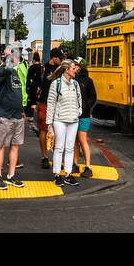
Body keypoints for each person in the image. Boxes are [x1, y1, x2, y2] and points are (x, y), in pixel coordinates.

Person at [0, 50, 27, 190]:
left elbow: (19, 92)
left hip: (17, 115)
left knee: (15, 146)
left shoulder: (16, 73)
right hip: (4, 115)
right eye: (13, 57)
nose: (16, 59)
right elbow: (4, 70)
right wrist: (8, 58)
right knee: (1, 146)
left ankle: (11, 175)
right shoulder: (1, 72)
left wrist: (22, 111)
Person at [46, 57, 83, 187]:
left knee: (70, 148)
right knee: (59, 148)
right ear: (66, 70)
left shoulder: (76, 84)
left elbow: (79, 99)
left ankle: (68, 174)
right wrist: (49, 124)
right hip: (59, 120)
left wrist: (79, 112)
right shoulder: (56, 84)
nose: (75, 71)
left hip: (73, 120)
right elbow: (50, 104)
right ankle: (57, 174)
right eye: (73, 69)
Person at [33, 49, 64, 168]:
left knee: (58, 131)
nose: (61, 60)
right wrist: (33, 102)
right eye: (60, 58)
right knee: (44, 130)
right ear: (54, 57)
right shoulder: (43, 69)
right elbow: (35, 84)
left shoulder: (61, 70)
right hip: (44, 103)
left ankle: (56, 157)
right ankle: (44, 156)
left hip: (57, 104)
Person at [73, 61, 97, 179]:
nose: (74, 67)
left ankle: (86, 165)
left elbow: (93, 97)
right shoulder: (84, 80)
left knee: (80, 140)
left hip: (81, 115)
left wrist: (85, 106)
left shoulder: (82, 80)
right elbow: (93, 97)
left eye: (75, 65)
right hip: (79, 114)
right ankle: (78, 164)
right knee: (77, 140)